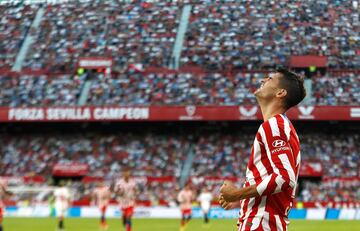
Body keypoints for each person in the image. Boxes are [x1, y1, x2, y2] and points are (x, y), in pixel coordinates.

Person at [219, 68, 306, 231]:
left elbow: (284, 178)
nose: (263, 80)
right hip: (266, 221)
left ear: (280, 93)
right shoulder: (283, 127)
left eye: (270, 79)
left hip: (261, 223)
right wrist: (243, 200)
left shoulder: (275, 125)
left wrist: (237, 193)